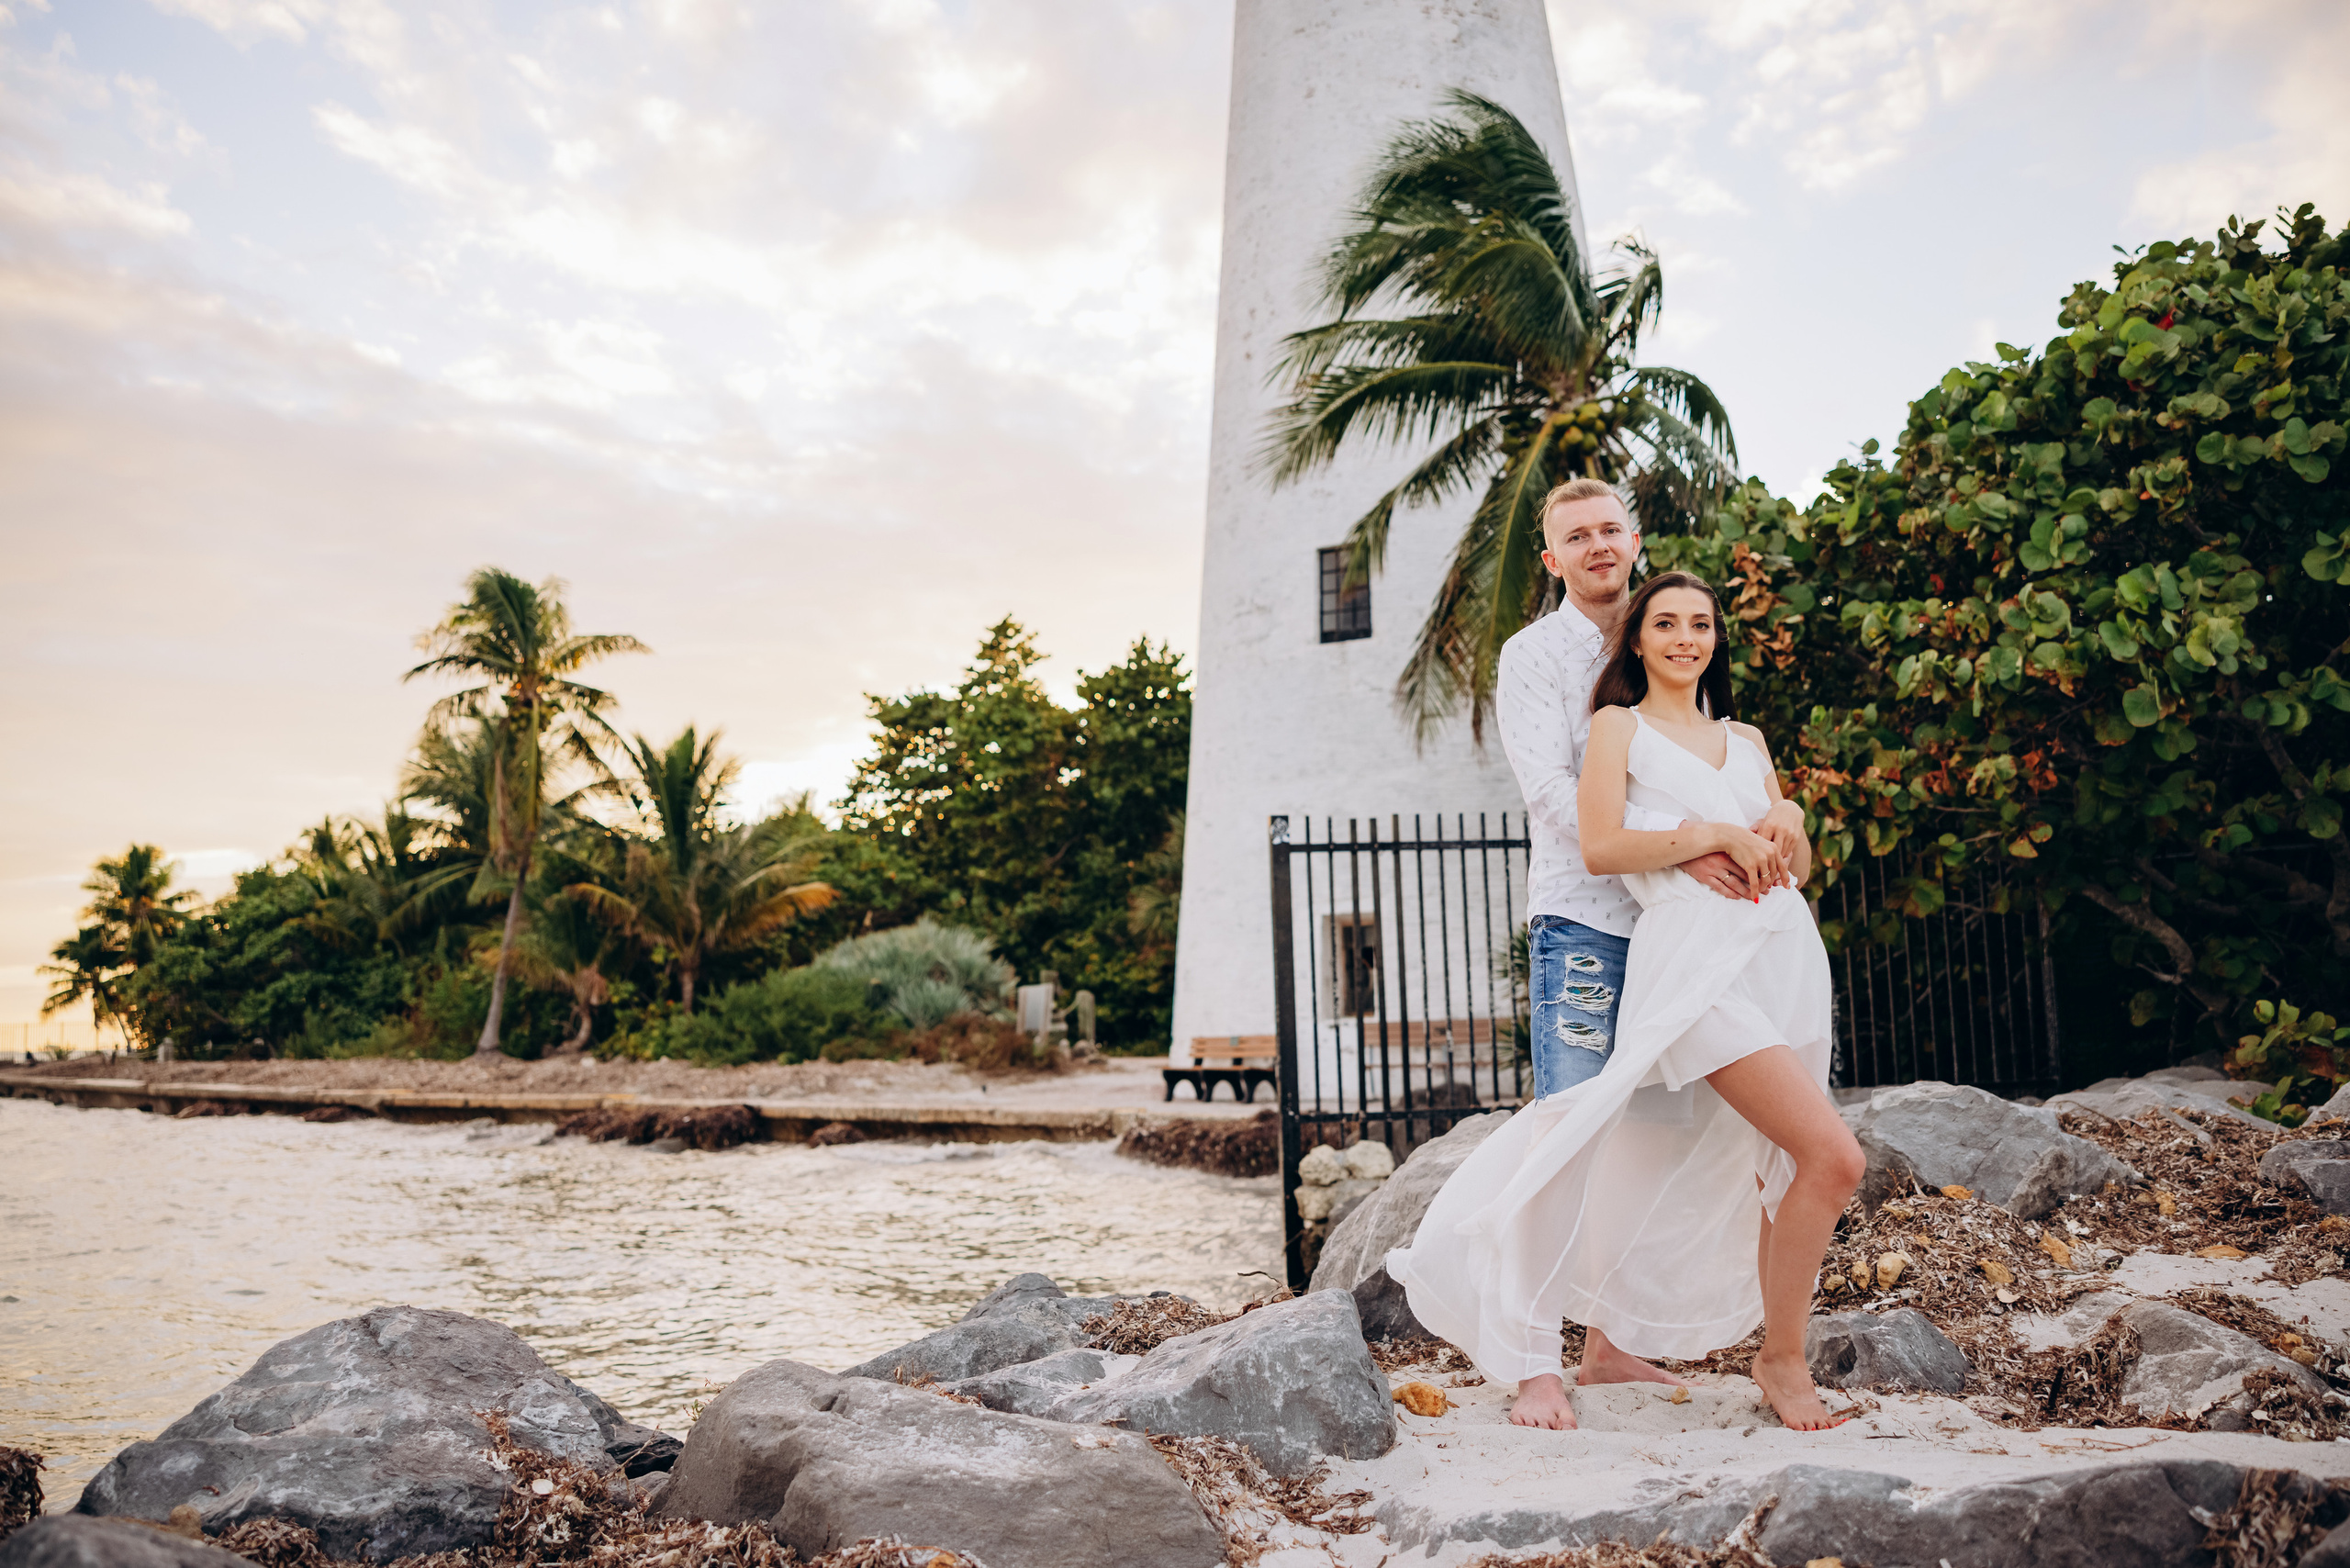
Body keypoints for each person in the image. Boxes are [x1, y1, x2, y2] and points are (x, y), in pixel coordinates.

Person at [1388, 570, 1862, 1432]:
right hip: (1695, 964)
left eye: (1702, 624)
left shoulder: (1749, 740)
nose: (1687, 638)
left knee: (1784, 1169)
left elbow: (1791, 874)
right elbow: (1602, 844)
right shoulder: (1619, 727)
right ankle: (1780, 1360)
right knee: (1836, 1158)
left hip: (1785, 959)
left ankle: (1764, 1351)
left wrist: (1788, 819)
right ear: (1637, 641)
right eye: (1668, 624)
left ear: (1718, 639)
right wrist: (1712, 833)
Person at [1490, 478, 1758, 1413]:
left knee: (1647, 1139)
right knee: (1565, 1132)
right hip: (1588, 921)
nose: (1597, 545)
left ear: (1635, 540)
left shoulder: (1665, 643)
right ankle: (1533, 1359)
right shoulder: (1531, 658)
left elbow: (1722, 768)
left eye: (1610, 528)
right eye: (1577, 535)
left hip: (1682, 931)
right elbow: (1553, 797)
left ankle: (1608, 1343)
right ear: (1552, 557)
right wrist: (1679, 852)